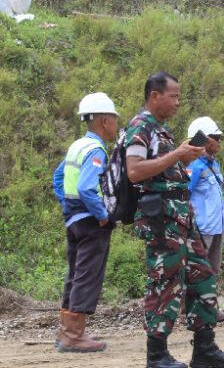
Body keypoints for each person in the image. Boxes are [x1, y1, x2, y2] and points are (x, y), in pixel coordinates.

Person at [125, 72, 224, 368]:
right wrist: (177, 154)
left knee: (202, 277)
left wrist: (180, 159)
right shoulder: (141, 127)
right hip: (161, 220)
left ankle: (204, 349)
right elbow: (135, 171)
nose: (178, 102)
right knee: (165, 283)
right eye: (173, 96)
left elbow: (163, 168)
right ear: (154, 96)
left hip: (181, 219)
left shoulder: (161, 130)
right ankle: (157, 355)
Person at [52, 92, 119, 352]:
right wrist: (102, 216)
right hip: (91, 222)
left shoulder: (76, 146)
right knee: (87, 277)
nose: (115, 124)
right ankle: (74, 336)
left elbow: (58, 179)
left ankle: (66, 332)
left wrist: (68, 207)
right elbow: (87, 188)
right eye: (114, 118)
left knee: (75, 275)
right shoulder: (95, 150)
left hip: (74, 220)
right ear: (104, 121)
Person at [186, 116, 224, 323]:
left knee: (212, 269)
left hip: (216, 226)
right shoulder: (194, 165)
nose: (219, 141)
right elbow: (184, 193)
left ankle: (211, 309)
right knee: (197, 269)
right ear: (204, 139)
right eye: (216, 137)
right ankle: (189, 310)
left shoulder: (214, 165)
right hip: (201, 227)